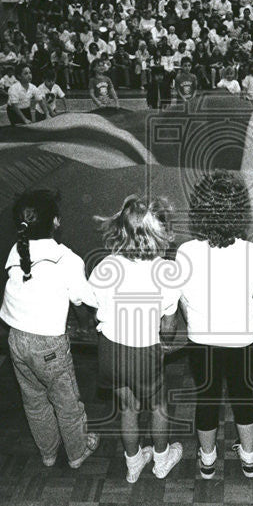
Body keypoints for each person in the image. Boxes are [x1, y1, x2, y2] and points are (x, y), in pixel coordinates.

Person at [175, 171, 253, 480]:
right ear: (240, 212)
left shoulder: (185, 252)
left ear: (198, 209)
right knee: (242, 395)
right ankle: (249, 458)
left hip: (201, 341)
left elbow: (181, 300)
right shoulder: (252, 253)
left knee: (206, 397)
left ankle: (207, 460)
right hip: (242, 342)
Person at [0, 190, 100, 469]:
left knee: (34, 400)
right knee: (66, 401)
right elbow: (86, 298)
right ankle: (78, 452)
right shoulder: (65, 258)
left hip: (16, 338)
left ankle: (48, 453)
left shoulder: (16, 249)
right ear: (56, 222)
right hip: (48, 346)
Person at [89, 196, 183, 483]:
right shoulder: (165, 271)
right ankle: (161, 459)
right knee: (158, 406)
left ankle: (133, 463)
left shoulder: (106, 265)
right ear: (160, 233)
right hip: (144, 352)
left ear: (120, 229)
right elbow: (168, 323)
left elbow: (95, 309)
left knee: (128, 407)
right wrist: (165, 342)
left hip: (109, 350)